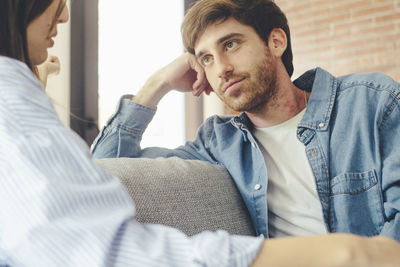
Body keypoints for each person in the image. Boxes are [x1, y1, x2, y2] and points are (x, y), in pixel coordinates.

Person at [1, 0, 400, 266]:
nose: (221, 67)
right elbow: (103, 167)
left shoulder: (372, 103)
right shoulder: (219, 141)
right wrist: (155, 85)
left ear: (276, 41)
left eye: (231, 44)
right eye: (206, 57)